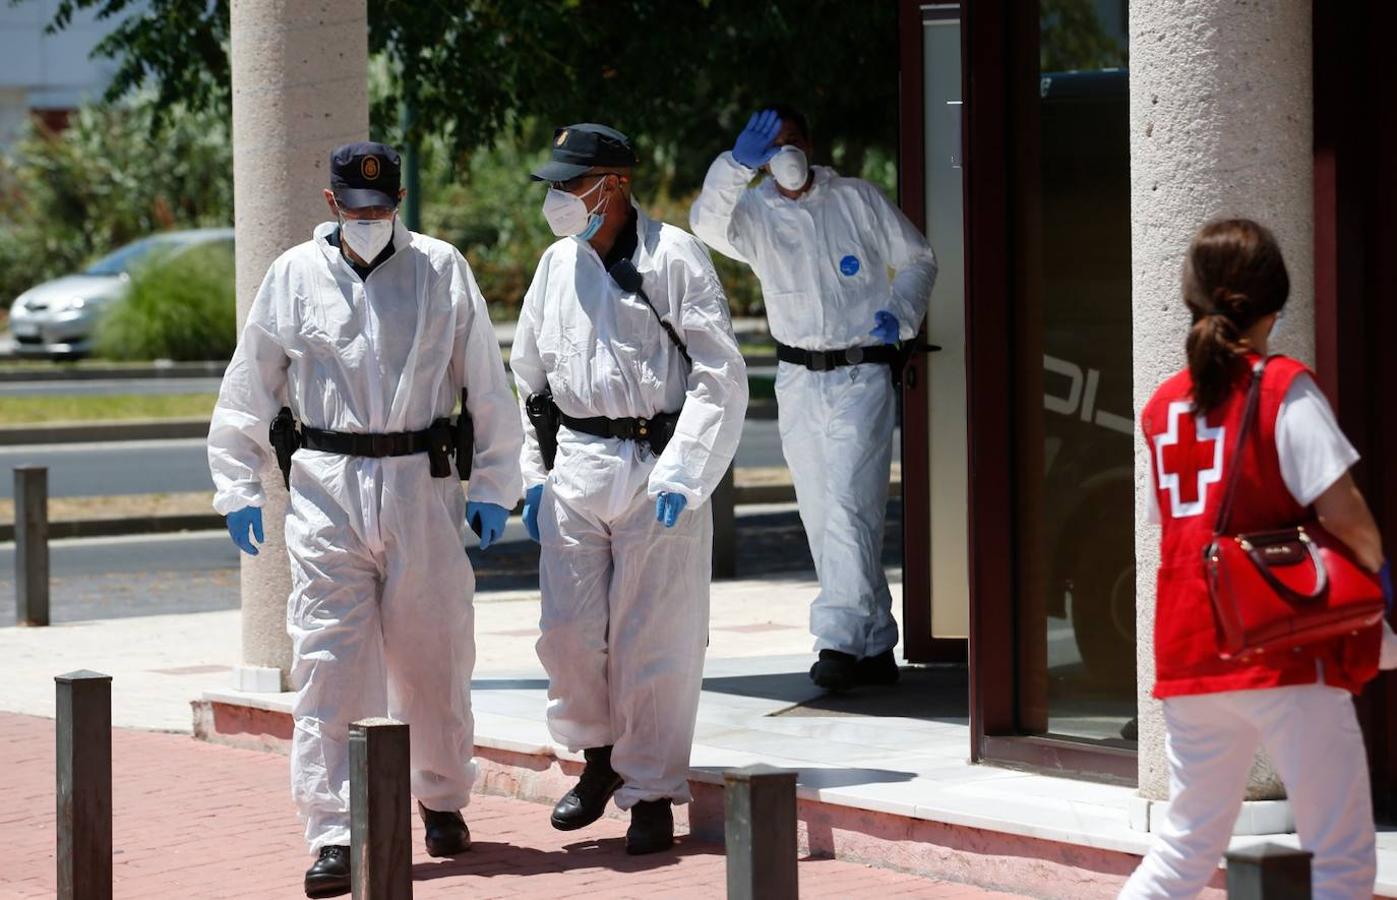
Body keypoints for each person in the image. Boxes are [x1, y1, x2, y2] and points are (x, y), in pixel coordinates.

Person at [207, 142, 523, 898]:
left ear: (400, 202)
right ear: (331, 204)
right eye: (356, 209)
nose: (369, 221)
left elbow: (485, 380)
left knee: (434, 656)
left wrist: (494, 482)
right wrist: (237, 483)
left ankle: (442, 797)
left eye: (381, 209)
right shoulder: (293, 276)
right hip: (325, 491)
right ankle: (332, 831)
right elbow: (250, 382)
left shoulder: (441, 268)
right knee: (328, 665)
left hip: (422, 484)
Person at [1121, 218, 1397, 899]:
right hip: (1283, 645)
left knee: (1182, 848)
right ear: (1277, 301)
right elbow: (1342, 512)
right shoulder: (1281, 388)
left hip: (1189, 652)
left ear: (1192, 300)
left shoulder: (1161, 406)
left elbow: (1170, 526)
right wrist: (1377, 575)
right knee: (1340, 857)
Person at [511, 123, 748, 854]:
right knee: (568, 634)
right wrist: (532, 476)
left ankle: (650, 791)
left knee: (657, 639)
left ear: (612, 183)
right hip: (577, 464)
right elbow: (528, 378)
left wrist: (684, 473)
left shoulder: (674, 256)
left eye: (569, 183)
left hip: (656, 465)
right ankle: (599, 761)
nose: (557, 197)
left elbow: (718, 375)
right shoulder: (556, 264)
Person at [689, 107, 938, 691]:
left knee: (851, 504)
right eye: (770, 147)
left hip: (861, 374)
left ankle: (837, 640)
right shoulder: (753, 212)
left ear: (811, 144)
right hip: (798, 379)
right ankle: (875, 641)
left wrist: (899, 315)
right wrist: (733, 167)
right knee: (823, 511)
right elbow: (705, 224)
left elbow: (918, 259)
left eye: (792, 142)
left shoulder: (856, 200)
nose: (785, 155)